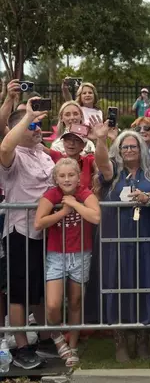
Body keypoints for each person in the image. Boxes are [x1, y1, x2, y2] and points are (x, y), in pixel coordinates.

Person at [94, 126, 150, 362]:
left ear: (141, 149)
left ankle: (143, 341)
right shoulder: (113, 172)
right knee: (118, 285)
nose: (129, 150)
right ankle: (120, 342)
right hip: (116, 240)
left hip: (145, 239)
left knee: (146, 283)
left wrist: (149, 197)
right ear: (118, 149)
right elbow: (102, 163)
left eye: (133, 146)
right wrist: (99, 138)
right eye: (124, 146)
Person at [0, 99, 55, 369]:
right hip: (19, 230)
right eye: (32, 126)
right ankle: (21, 346)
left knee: (39, 290)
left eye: (39, 125)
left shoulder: (43, 154)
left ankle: (43, 338)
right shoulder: (13, 155)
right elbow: (5, 145)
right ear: (18, 129)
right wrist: (25, 116)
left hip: (44, 231)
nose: (37, 129)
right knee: (19, 292)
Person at [34, 158, 101, 367]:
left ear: (78, 175)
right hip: (57, 254)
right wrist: (63, 212)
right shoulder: (52, 195)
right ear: (56, 178)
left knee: (75, 302)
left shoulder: (84, 194)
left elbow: (96, 217)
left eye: (71, 175)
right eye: (62, 176)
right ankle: (56, 334)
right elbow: (38, 222)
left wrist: (73, 203)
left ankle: (72, 347)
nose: (67, 179)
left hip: (81, 253)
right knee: (53, 305)